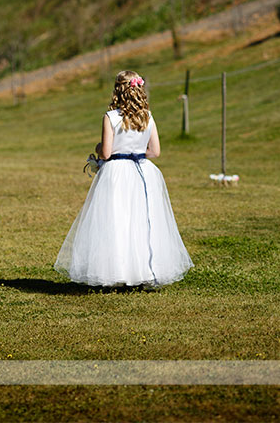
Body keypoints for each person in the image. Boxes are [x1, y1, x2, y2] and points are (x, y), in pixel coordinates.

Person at [55, 70, 193, 287]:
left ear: (117, 90)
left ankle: (117, 271)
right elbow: (155, 151)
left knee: (116, 219)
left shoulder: (111, 117)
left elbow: (106, 153)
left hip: (117, 173)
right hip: (143, 172)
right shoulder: (147, 117)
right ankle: (144, 271)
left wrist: (98, 148)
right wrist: (135, 152)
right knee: (142, 221)